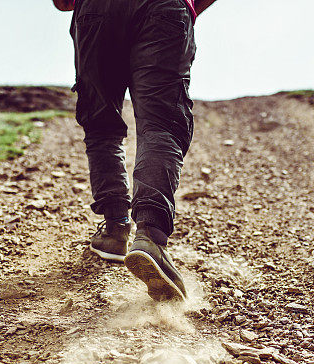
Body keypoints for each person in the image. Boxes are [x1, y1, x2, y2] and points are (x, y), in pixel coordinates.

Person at [53, 0, 216, 301]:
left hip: (96, 11)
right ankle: (150, 236)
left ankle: (115, 229)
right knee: (162, 124)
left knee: (102, 125)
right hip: (165, 8)